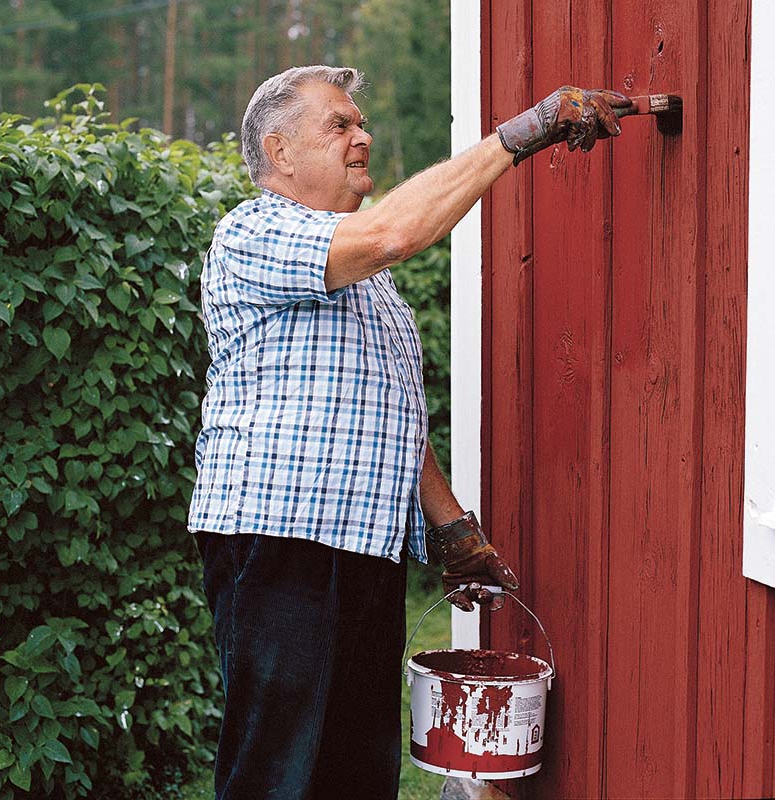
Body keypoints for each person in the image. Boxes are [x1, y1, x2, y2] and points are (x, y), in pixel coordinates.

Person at [188, 65, 629, 800]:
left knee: (356, 772)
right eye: (339, 124)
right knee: (278, 776)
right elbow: (397, 230)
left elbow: (390, 403)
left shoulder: (367, 277)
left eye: (361, 122)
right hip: (280, 542)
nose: (363, 136)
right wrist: (526, 131)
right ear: (280, 151)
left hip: (361, 543)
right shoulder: (254, 229)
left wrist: (450, 524)